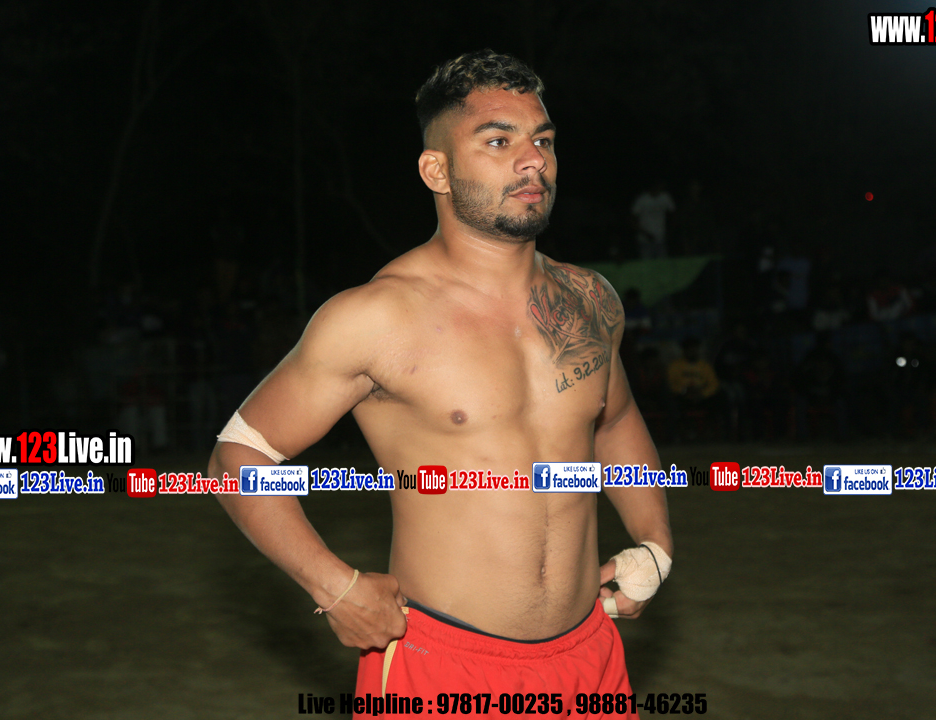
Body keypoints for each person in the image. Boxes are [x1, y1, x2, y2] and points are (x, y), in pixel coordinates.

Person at [207, 49, 672, 717]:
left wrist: (654, 544)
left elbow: (616, 421)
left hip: (588, 657)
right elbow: (237, 458)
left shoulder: (589, 300)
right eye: (498, 142)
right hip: (442, 666)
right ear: (437, 170)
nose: (533, 161)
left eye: (542, 140)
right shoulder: (377, 316)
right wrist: (334, 586)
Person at [630, 180, 675, 259]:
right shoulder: (642, 199)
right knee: (646, 264)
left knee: (662, 263)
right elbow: (632, 219)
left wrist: (670, 232)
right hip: (644, 240)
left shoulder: (665, 197)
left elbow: (673, 214)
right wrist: (645, 233)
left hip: (661, 239)